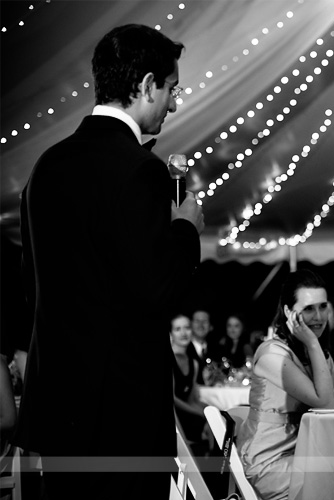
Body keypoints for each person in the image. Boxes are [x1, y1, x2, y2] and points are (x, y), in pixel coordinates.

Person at [14, 24, 203, 500]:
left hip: (56, 408)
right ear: (145, 86)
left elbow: (32, 286)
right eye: (172, 88)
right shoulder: (141, 171)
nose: (175, 103)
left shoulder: (46, 166)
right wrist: (185, 228)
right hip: (120, 414)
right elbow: (158, 290)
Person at [236, 270, 334, 500]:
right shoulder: (273, 354)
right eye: (309, 309)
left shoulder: (321, 356)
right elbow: (326, 403)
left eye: (323, 307)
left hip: (305, 453)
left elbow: (328, 412)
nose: (319, 316)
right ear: (289, 313)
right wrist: (312, 342)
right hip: (269, 459)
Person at [169, 314, 209, 455]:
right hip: (172, 417)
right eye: (178, 329)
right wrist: (202, 415)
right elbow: (171, 398)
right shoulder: (167, 360)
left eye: (187, 328)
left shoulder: (194, 363)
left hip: (187, 414)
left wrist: (211, 413)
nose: (184, 333)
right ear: (171, 334)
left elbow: (192, 400)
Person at [188, 308, 214, 383]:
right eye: (197, 321)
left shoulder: (218, 351)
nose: (201, 325)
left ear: (210, 326)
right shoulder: (183, 350)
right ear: (190, 324)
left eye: (205, 321)